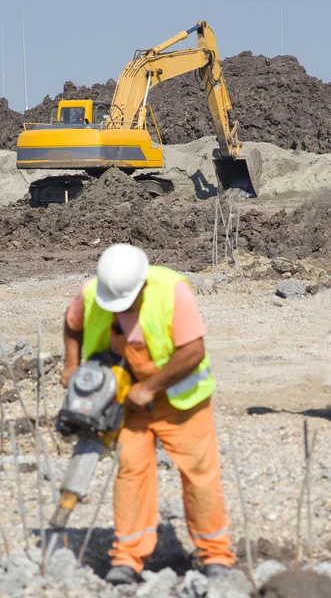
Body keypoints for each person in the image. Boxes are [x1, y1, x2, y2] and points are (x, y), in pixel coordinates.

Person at [61, 243, 234, 585]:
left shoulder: (172, 291)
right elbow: (71, 325)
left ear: (142, 284)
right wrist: (71, 367)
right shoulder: (93, 291)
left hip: (181, 401)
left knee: (199, 474)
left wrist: (151, 388)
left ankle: (215, 555)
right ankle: (128, 558)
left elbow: (193, 351)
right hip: (124, 399)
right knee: (131, 472)